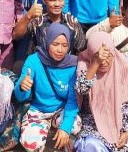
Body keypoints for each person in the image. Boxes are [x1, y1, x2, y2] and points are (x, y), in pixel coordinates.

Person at [15, 23, 81, 152]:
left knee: (74, 126)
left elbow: (73, 100)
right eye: (55, 44)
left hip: (60, 110)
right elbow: (20, 96)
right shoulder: (34, 60)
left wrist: (65, 128)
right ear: (47, 41)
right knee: (30, 144)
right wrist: (22, 87)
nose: (60, 50)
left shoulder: (73, 65)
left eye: (64, 45)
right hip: (38, 109)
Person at [74, 31, 128, 152]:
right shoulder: (85, 65)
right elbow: (81, 89)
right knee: (90, 146)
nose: (104, 62)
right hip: (94, 125)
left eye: (108, 56)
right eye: (98, 56)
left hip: (122, 126)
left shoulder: (125, 68)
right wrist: (95, 63)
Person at [12, 0, 86, 64]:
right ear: (44, 0)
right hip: (40, 70)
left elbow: (81, 51)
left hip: (66, 71)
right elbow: (15, 35)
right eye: (53, 0)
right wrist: (28, 16)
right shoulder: (37, 21)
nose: (57, 4)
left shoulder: (72, 22)